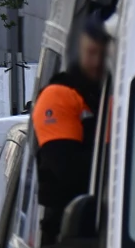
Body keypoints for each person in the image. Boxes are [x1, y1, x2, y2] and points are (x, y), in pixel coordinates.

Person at [32, 13, 109, 224]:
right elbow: (65, 168)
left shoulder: (111, 94)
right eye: (92, 52)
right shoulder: (59, 94)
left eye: (103, 54)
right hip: (68, 227)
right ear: (79, 50)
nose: (97, 62)